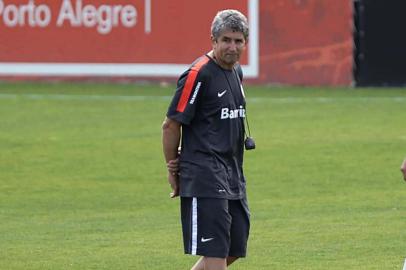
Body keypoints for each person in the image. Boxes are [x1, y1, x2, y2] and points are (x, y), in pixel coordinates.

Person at [162, 9, 251, 270]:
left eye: (238, 41)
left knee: (235, 246)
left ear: (245, 42)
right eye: (226, 40)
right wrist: (173, 167)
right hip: (204, 174)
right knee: (215, 252)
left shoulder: (236, 72)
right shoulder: (198, 74)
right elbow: (170, 125)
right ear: (213, 40)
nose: (232, 47)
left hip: (232, 172)